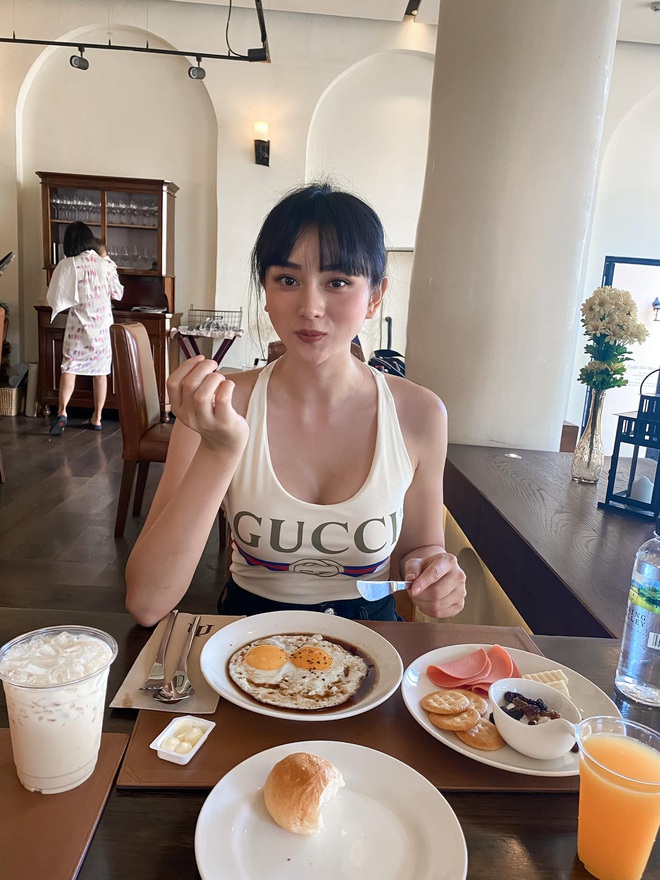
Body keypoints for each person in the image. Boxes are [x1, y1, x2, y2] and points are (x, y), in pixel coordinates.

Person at [126, 183, 466, 626]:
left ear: (375, 296)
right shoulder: (219, 407)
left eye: (338, 282)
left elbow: (420, 550)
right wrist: (219, 449)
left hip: (372, 639)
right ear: (266, 292)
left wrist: (435, 575)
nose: (310, 307)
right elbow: (147, 603)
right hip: (247, 642)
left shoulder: (420, 414)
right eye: (288, 280)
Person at [46, 222, 123, 434]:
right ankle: (97, 418)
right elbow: (118, 293)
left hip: (77, 327)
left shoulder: (68, 264)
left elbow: (55, 296)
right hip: (102, 329)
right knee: (101, 372)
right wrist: (106, 258)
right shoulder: (105, 265)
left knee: (69, 368)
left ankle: (62, 411)